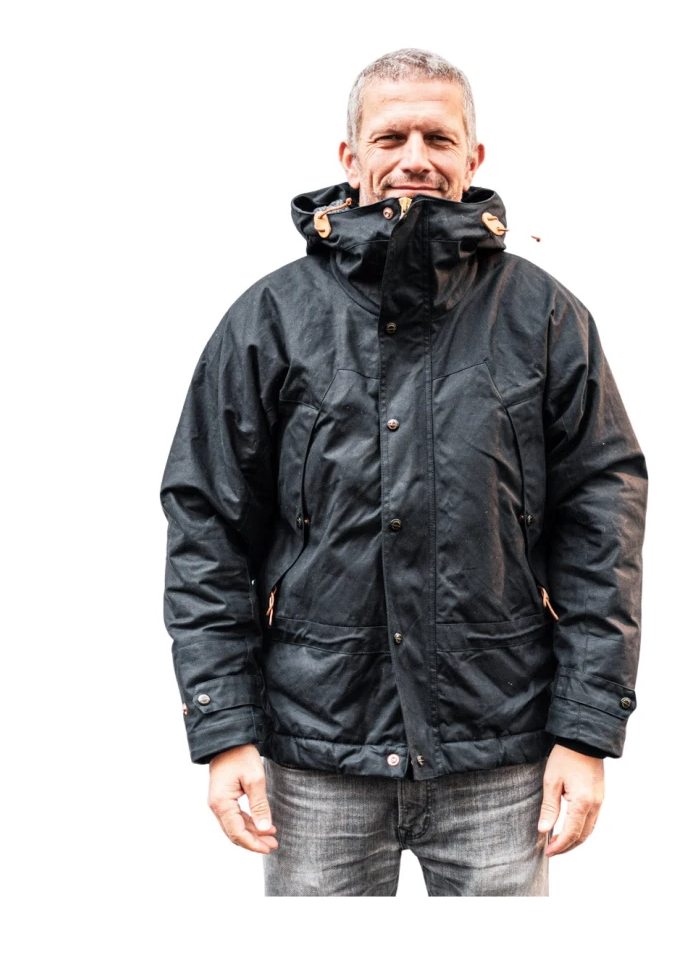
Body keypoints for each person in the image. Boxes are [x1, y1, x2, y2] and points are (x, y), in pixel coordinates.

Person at [160, 48, 647, 896]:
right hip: (316, 756)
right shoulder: (271, 319)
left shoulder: (542, 316)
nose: (415, 157)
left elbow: (602, 527)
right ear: (350, 157)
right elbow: (207, 528)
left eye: (438, 137)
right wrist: (225, 727)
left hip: (500, 756)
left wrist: (585, 730)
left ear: (473, 156)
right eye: (391, 137)